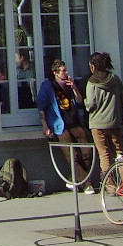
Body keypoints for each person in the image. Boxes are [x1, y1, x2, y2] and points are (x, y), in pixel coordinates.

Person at [37, 58, 95, 191]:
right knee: (72, 154)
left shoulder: (69, 84)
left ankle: (72, 180)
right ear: (55, 73)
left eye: (65, 70)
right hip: (59, 125)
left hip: (74, 122)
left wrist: (74, 88)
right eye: (63, 71)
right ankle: (87, 184)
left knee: (87, 151)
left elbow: (80, 102)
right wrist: (45, 125)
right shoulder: (48, 86)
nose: (66, 73)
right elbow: (41, 106)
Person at [84, 51, 123, 179]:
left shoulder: (91, 82)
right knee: (120, 153)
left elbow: (91, 104)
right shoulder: (115, 79)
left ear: (93, 66)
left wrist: (85, 103)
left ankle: (110, 186)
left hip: (97, 124)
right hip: (114, 122)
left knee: (104, 155)